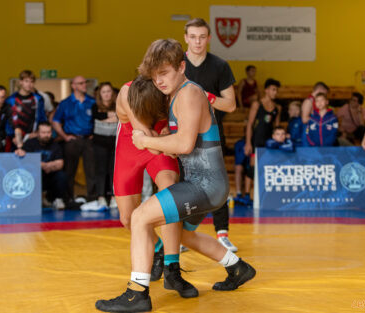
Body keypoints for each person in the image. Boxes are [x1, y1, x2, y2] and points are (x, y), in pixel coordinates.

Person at [95, 38, 255, 313]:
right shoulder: (177, 93)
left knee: (140, 217)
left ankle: (137, 293)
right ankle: (237, 267)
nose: (159, 81)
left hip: (204, 186)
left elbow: (184, 145)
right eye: (154, 75)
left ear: (182, 67)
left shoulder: (190, 93)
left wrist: (148, 142)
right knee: (181, 234)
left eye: (164, 74)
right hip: (203, 185)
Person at [113, 76, 194, 296]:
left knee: (169, 194)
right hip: (132, 148)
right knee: (128, 218)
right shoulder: (128, 94)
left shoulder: (170, 92)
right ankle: (157, 248)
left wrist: (169, 137)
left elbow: (175, 136)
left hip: (156, 141)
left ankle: (172, 267)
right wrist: (168, 139)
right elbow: (149, 143)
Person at [183, 18, 238, 252]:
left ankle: (222, 234)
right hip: (180, 134)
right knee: (180, 185)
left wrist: (207, 96)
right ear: (186, 38)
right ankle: (181, 235)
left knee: (216, 184)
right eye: (193, 36)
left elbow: (231, 105)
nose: (197, 41)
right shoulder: (177, 64)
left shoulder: (220, 66)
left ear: (208, 38)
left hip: (211, 136)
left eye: (202, 37)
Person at [52, 75, 97, 202]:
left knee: (91, 170)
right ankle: (68, 198)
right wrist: (65, 136)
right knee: (69, 170)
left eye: (85, 82)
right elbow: (55, 121)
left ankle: (92, 198)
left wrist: (95, 133)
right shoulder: (65, 103)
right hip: (72, 140)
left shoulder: (92, 101)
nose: (84, 85)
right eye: (81, 83)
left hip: (89, 139)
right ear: (73, 86)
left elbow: (98, 118)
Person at [82, 82, 118, 211]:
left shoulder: (119, 105)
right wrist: (111, 116)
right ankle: (101, 196)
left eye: (109, 91)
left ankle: (114, 196)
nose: (107, 94)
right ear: (100, 94)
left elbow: (120, 118)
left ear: (112, 93)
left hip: (115, 142)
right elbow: (97, 116)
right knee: (100, 170)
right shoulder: (94, 106)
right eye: (104, 92)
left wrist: (107, 118)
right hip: (99, 143)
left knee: (114, 170)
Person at [22, 122, 69, 210]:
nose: (46, 135)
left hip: (49, 175)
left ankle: (57, 199)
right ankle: (32, 200)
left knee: (62, 176)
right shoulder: (29, 144)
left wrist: (46, 165)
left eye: (48, 132)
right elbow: (25, 161)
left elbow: (60, 163)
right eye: (43, 133)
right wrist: (42, 165)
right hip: (34, 176)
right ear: (38, 133)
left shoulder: (55, 145)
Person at [5, 70, 47, 157]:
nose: (29, 84)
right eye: (26, 81)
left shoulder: (38, 99)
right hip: (14, 139)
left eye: (31, 81)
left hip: (32, 137)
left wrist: (38, 133)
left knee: (32, 165)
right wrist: (12, 136)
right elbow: (7, 120)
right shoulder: (11, 100)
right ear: (21, 82)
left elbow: (42, 118)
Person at [245, 78, 282, 156]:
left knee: (268, 164)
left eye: (277, 90)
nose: (275, 92)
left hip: (270, 140)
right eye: (273, 90)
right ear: (266, 90)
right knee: (254, 165)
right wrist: (248, 143)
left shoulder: (278, 107)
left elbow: (277, 127)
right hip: (256, 139)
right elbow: (250, 124)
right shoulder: (257, 104)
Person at [233, 137, 253, 206]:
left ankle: (247, 195)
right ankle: (239, 194)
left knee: (251, 168)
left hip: (252, 166)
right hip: (244, 164)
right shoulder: (240, 143)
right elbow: (238, 161)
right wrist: (245, 152)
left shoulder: (256, 141)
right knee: (238, 168)